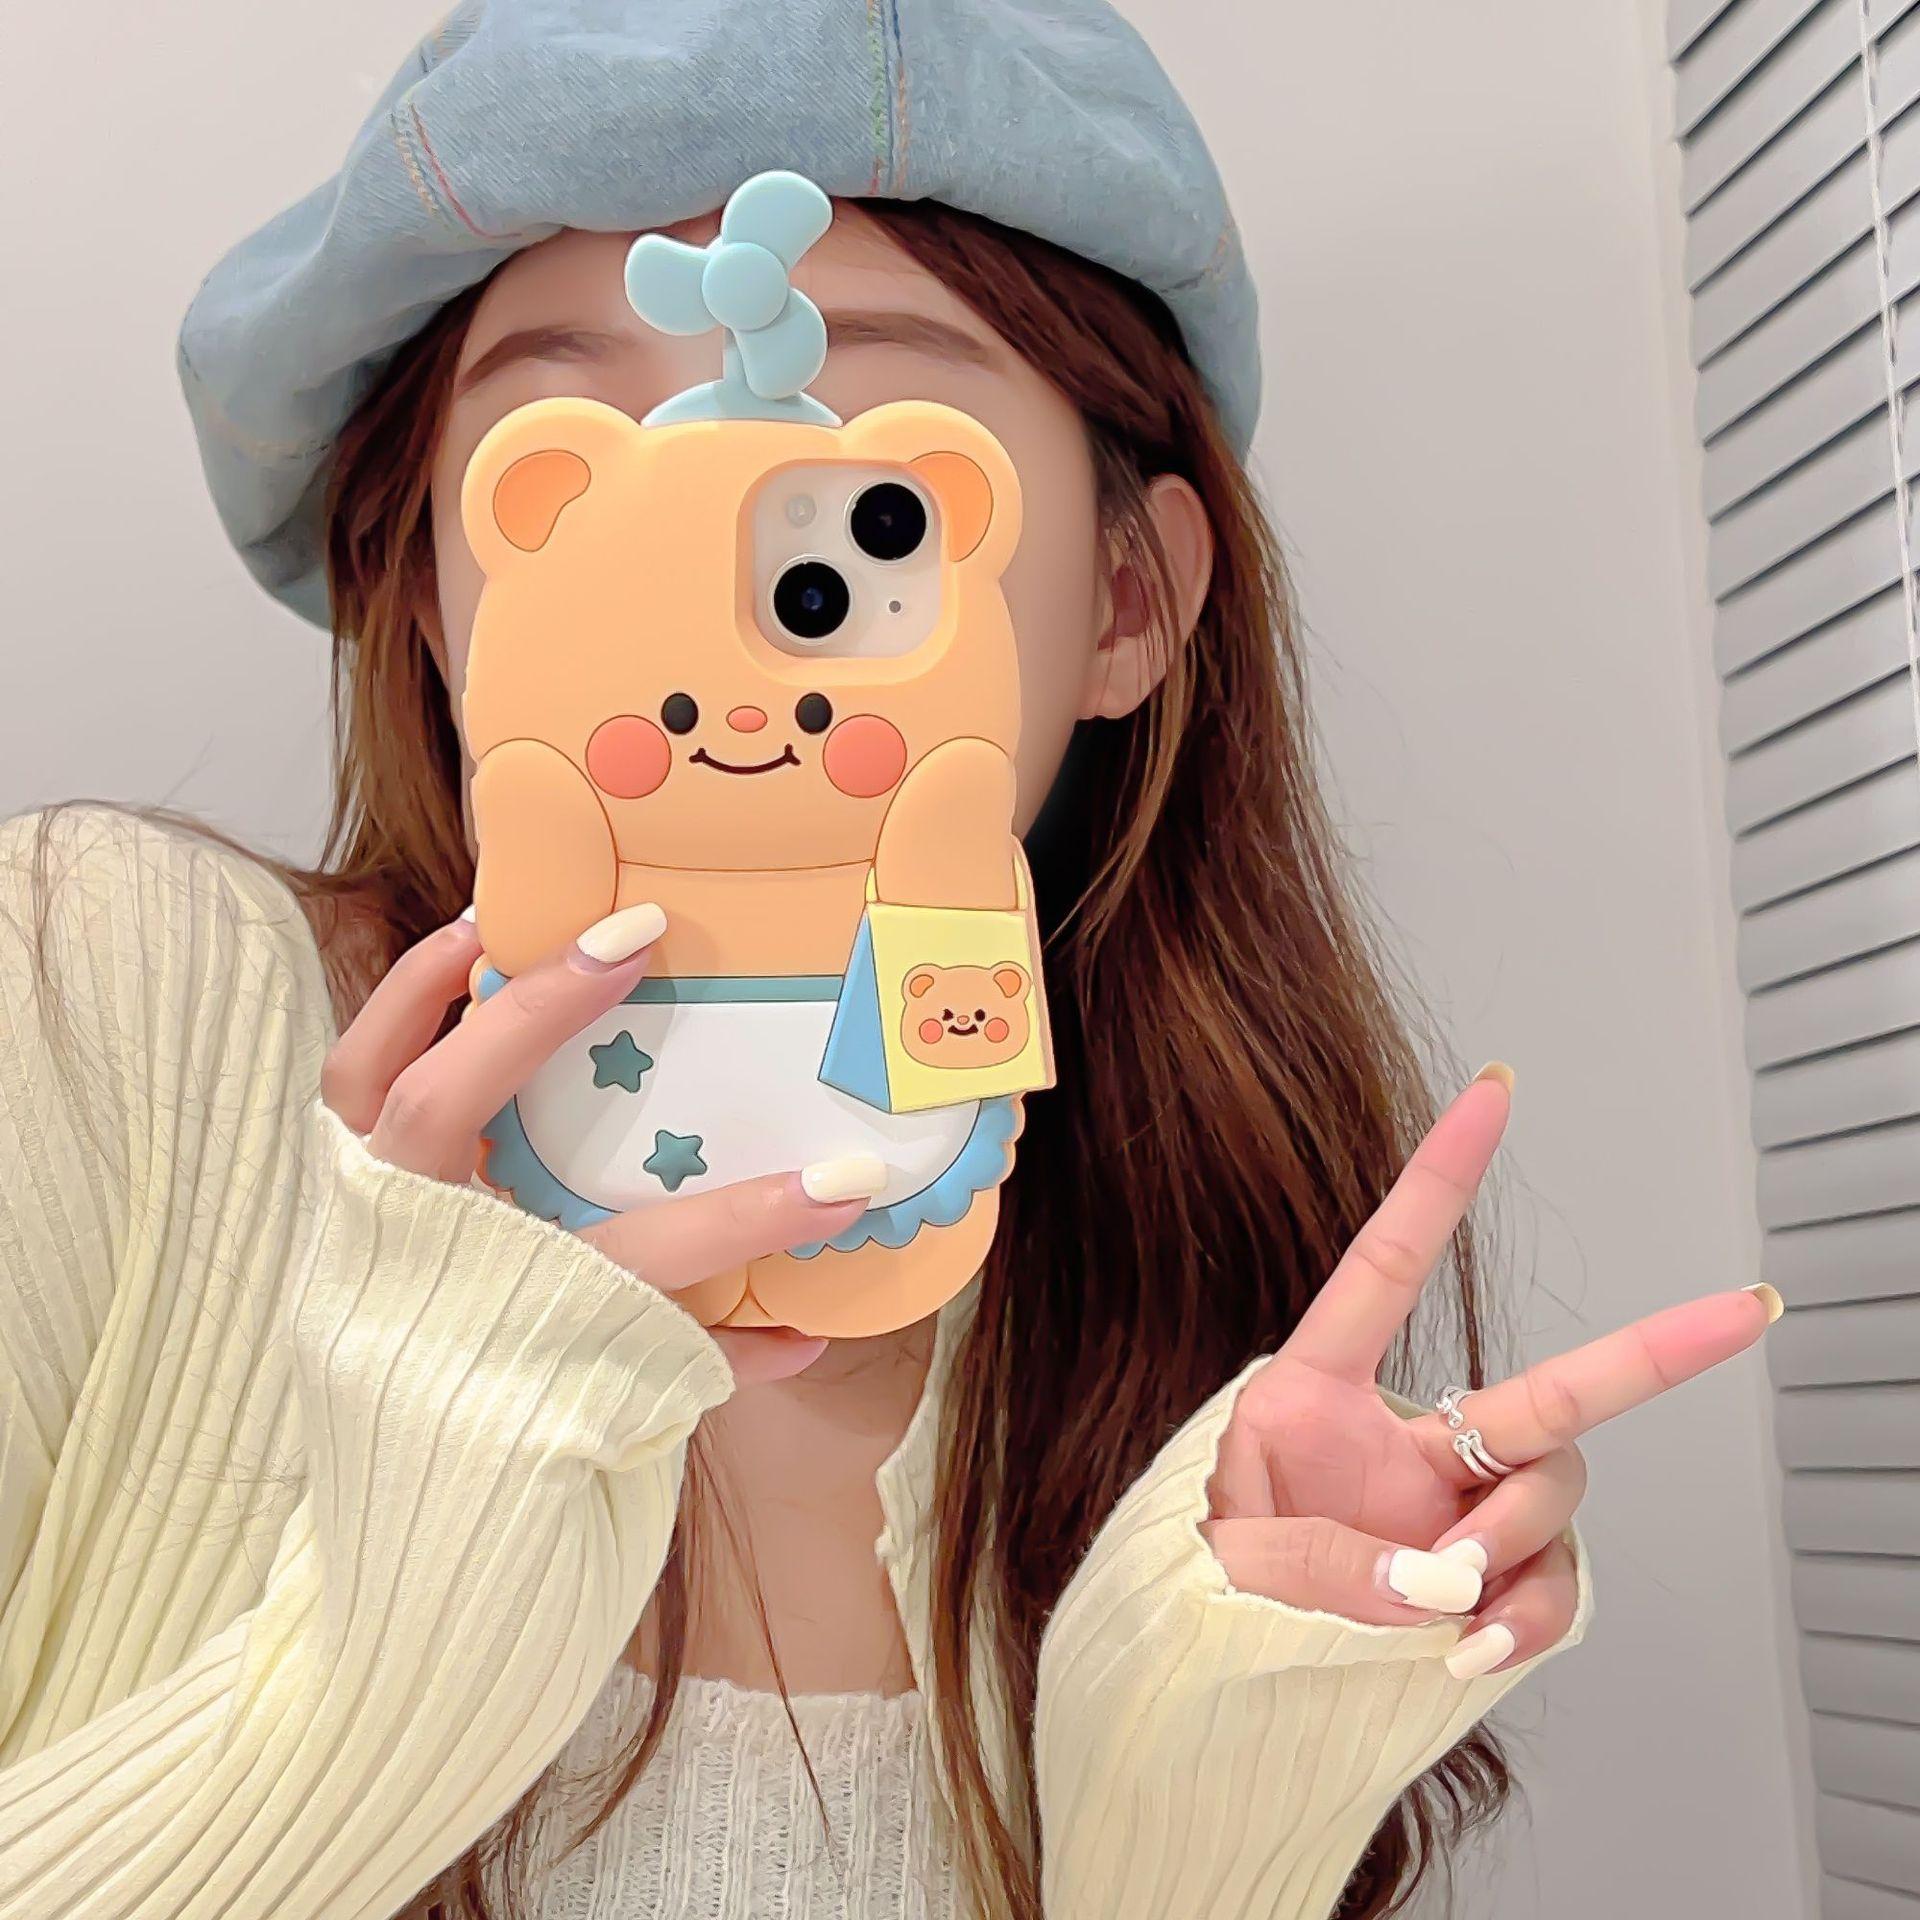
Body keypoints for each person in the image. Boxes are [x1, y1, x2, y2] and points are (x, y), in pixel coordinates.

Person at [0, 4, 1776, 1917]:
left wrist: (1216, 1785)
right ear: (438, 594)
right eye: (592, 484)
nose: (706, 613)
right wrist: (413, 1584)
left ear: (1125, 600)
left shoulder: (1187, 1273)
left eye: (842, 495)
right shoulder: (97, 995)